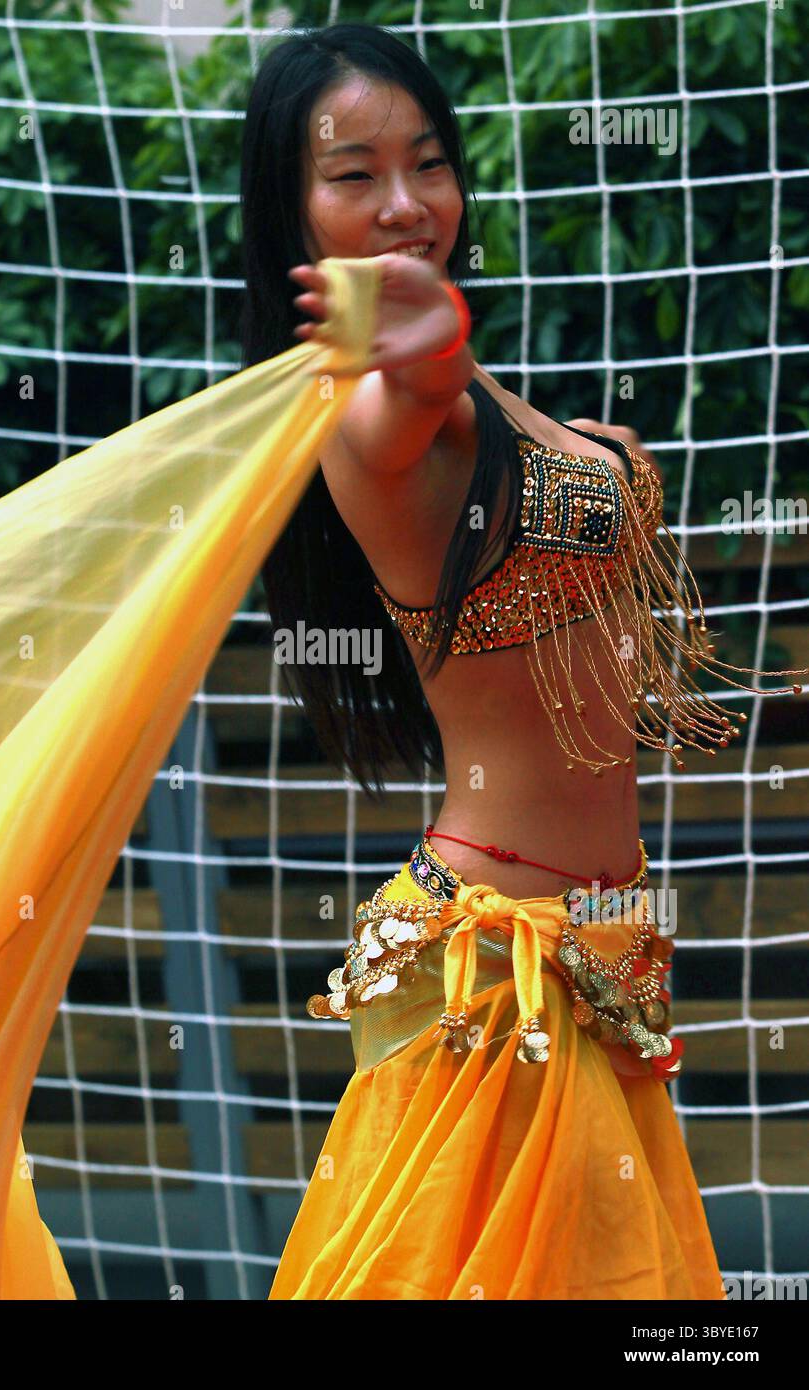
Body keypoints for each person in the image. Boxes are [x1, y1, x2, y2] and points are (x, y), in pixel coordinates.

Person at [238, 24, 807, 1299]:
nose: (403, 201)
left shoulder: (476, 392)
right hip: (496, 974)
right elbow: (418, 366)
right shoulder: (370, 406)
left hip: (596, 949)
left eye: (427, 163)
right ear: (292, 206)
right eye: (353, 175)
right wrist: (419, 316)